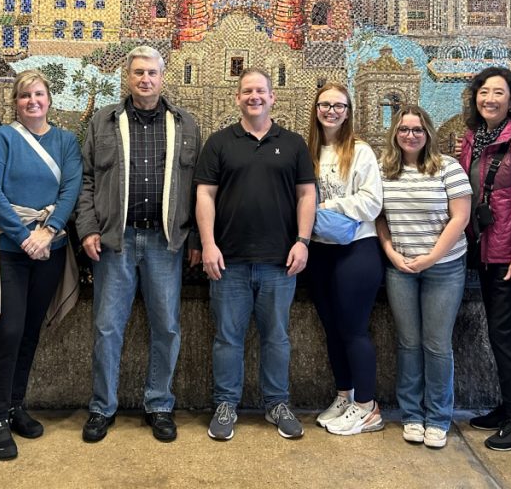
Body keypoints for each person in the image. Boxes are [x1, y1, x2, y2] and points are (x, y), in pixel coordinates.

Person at [76, 46, 201, 444]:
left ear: (163, 78)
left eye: (152, 72)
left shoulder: (186, 125)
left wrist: (195, 238)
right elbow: (86, 179)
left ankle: (160, 404)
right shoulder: (104, 122)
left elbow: (200, 188)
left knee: (166, 326)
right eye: (138, 72)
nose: (145, 79)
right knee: (107, 327)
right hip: (116, 240)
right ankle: (102, 407)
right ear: (127, 77)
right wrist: (87, 229)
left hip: (166, 243)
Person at [195, 68, 316, 441]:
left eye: (260, 91)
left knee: (277, 337)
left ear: (272, 97)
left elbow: (307, 195)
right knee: (227, 338)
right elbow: (204, 195)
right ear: (237, 98)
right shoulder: (218, 143)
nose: (254, 97)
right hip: (228, 260)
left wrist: (303, 241)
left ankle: (277, 404)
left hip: (280, 263)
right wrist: (208, 245)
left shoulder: (293, 144)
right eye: (247, 91)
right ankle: (225, 404)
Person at [0, 70, 82, 460]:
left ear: (49, 99)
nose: (32, 101)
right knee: (7, 330)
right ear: (15, 103)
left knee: (30, 331)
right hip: (8, 248)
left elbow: (71, 189)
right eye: (23, 96)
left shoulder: (67, 141)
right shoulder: (2, 139)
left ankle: (16, 405)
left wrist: (48, 231)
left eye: (38, 94)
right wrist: (24, 237)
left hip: (49, 248)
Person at [376, 105, 471, 449]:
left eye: (417, 129)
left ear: (428, 132)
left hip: (443, 268)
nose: (410, 135)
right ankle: (412, 414)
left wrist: (431, 257)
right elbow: (379, 217)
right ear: (395, 133)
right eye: (404, 129)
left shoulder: (448, 167)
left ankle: (438, 417)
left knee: (436, 345)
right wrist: (390, 252)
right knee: (408, 343)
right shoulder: (385, 170)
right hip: (400, 268)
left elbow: (460, 218)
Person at [458, 68, 511, 450]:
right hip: (483, 252)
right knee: (498, 334)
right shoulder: (472, 140)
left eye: (498, 93)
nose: (489, 98)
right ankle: (507, 408)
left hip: (509, 257)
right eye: (483, 92)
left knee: (507, 338)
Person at [305, 83, 385, 436]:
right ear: (316, 109)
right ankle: (345, 395)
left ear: (349, 111)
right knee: (333, 330)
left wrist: (324, 207)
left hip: (357, 248)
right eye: (325, 104)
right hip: (318, 249)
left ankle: (368, 408)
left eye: (339, 105)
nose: (332, 111)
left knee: (354, 329)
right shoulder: (306, 150)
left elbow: (371, 203)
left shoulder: (361, 151)